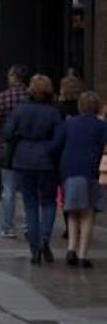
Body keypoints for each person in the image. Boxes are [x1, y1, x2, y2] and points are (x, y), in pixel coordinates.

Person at [3, 75, 63, 265]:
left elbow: (7, 133)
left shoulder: (20, 110)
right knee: (48, 202)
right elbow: (59, 138)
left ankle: (35, 248)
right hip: (46, 162)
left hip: (23, 160)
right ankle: (45, 238)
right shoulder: (53, 113)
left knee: (30, 205)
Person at [49, 91, 107, 268]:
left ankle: (70, 249)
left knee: (72, 211)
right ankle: (82, 255)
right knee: (88, 213)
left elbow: (55, 146)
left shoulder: (68, 124)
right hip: (90, 172)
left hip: (69, 171)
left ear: (80, 106)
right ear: (97, 106)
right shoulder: (101, 126)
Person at [0, 65, 30, 238]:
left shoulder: (2, 98)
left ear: (14, 77)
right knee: (28, 189)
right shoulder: (32, 97)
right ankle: (29, 225)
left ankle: (7, 227)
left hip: (7, 148)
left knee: (8, 190)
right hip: (29, 148)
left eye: (9, 75)